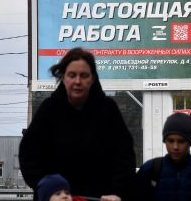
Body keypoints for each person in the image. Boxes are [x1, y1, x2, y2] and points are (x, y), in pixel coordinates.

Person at [19, 47, 136, 201]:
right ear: (63, 77)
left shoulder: (108, 110)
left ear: (93, 78)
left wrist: (117, 192)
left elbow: (125, 157)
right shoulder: (49, 110)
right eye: (72, 75)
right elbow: (29, 155)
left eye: (84, 75)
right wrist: (49, 190)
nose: (77, 81)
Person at [135, 113, 191, 201]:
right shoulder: (149, 169)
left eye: (181, 141)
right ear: (165, 141)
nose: (175, 147)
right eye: (170, 141)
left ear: (190, 142)